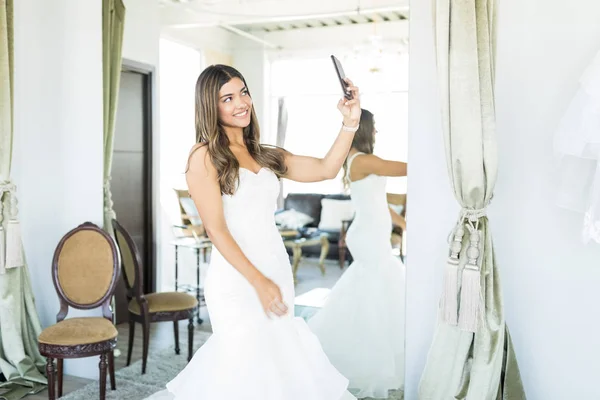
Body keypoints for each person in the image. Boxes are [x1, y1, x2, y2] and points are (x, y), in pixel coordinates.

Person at [145, 64, 361, 400]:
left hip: (276, 270)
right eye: (227, 98)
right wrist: (258, 281)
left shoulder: (265, 153)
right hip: (237, 281)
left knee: (280, 366)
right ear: (210, 106)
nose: (241, 102)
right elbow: (216, 231)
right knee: (243, 369)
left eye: (243, 92)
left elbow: (325, 168)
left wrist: (350, 122)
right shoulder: (203, 156)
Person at [307, 108, 407, 399]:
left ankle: (367, 349)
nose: (376, 133)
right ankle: (367, 357)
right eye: (374, 128)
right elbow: (408, 167)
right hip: (368, 237)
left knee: (371, 291)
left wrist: (402, 222)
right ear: (365, 129)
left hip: (370, 233)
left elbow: (376, 201)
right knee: (373, 290)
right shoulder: (364, 160)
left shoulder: (361, 161)